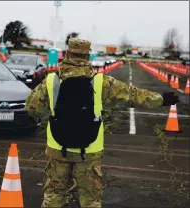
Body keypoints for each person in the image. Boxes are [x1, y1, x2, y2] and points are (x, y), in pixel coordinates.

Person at [25, 38, 179, 208]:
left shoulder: (51, 81)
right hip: (89, 151)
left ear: (67, 54)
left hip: (57, 149)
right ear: (88, 56)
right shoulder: (100, 82)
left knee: (54, 198)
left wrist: (52, 112)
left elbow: (32, 108)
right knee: (90, 200)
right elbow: (131, 94)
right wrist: (161, 99)